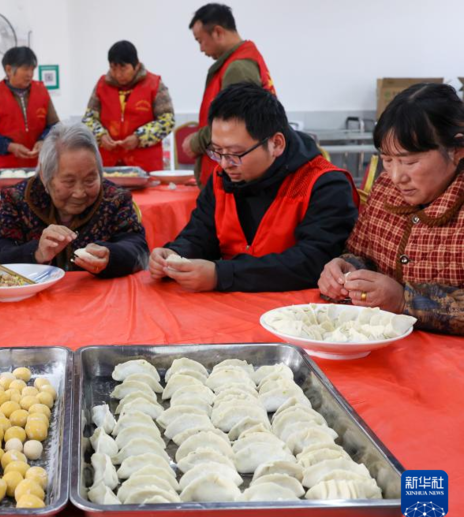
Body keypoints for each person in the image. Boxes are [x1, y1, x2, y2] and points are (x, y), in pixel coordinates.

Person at [149, 83, 359, 292]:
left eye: (235, 153)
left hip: (295, 313)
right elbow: (200, 234)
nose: (224, 163)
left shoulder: (323, 184)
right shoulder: (222, 177)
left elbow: (312, 262)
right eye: (217, 151)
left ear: (276, 144)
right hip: (228, 307)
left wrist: (221, 275)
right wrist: (174, 255)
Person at [319, 83, 464, 334]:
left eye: (409, 162)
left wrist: (403, 300)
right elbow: (361, 252)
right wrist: (346, 270)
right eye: (387, 160)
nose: (397, 176)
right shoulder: (386, 187)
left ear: (456, 150)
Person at [0, 122, 148, 277]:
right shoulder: (18, 199)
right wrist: (37, 253)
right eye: (69, 182)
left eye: (90, 180)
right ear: (45, 176)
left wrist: (111, 256)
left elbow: (138, 250)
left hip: (100, 299)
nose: (79, 193)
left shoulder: (115, 198)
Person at [183, 3, 276, 186]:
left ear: (217, 32)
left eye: (200, 40)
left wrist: (195, 143)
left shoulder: (238, 67)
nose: (201, 49)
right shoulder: (242, 59)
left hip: (232, 175)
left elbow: (234, 124)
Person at [82, 40, 174, 172]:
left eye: (123, 68)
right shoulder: (102, 85)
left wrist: (139, 137)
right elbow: (88, 119)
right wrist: (100, 135)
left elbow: (167, 120)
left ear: (136, 65)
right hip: (108, 164)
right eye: (113, 68)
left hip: (144, 164)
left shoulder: (154, 84)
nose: (118, 74)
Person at [0, 46, 60, 174]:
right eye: (25, 69)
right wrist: (9, 146)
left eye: (32, 69)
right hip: (6, 170)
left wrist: (43, 140)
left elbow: (54, 126)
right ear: (9, 69)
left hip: (40, 167)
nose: (30, 74)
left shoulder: (41, 91)